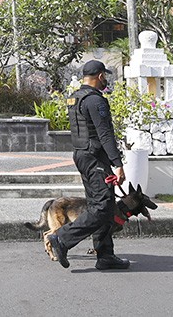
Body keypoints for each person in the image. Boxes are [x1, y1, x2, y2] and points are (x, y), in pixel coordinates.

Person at [47, 60, 129, 270]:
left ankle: (105, 255)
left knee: (101, 205)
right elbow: (105, 134)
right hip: (95, 158)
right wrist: (117, 163)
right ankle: (63, 238)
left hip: (83, 155)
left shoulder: (74, 98)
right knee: (103, 207)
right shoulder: (95, 101)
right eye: (105, 77)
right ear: (100, 76)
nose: (106, 81)